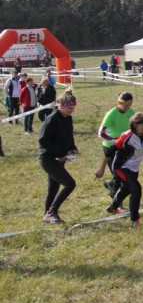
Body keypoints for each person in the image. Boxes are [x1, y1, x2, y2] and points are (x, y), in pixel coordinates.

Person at [106, 113, 143, 227]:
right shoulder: (126, 137)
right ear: (135, 124)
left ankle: (112, 207)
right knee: (136, 189)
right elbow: (110, 151)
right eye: (142, 124)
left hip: (134, 168)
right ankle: (135, 220)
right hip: (121, 167)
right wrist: (101, 168)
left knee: (126, 189)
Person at [38, 89, 79, 224]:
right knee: (69, 184)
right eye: (69, 108)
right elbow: (43, 140)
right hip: (48, 159)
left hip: (60, 158)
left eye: (73, 108)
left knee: (53, 188)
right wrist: (60, 153)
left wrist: (72, 147)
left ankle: (46, 215)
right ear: (60, 106)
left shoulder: (68, 118)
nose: (71, 111)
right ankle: (52, 211)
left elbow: (68, 136)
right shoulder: (51, 119)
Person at [96, 92, 136, 197]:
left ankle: (111, 184)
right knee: (118, 174)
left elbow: (135, 129)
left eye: (129, 104)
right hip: (110, 146)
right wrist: (116, 140)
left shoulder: (132, 112)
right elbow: (101, 133)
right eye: (124, 104)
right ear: (118, 102)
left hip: (124, 147)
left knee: (124, 173)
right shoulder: (111, 114)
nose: (127, 107)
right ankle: (115, 199)